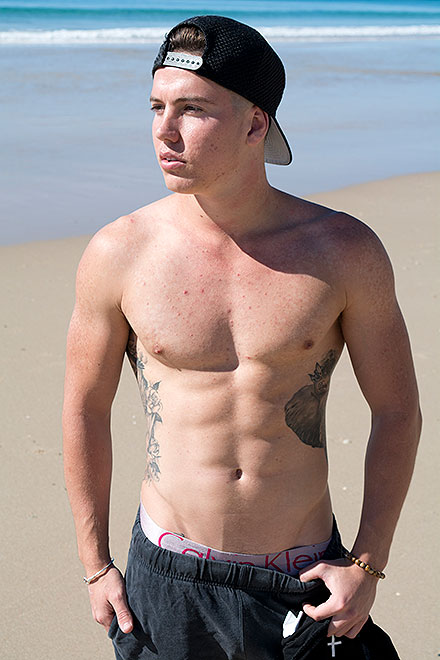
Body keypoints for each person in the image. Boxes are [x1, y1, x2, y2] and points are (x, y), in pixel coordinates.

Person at [62, 15, 421, 660]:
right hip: (167, 578)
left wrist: (367, 564)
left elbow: (397, 410)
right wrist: (95, 565)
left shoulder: (343, 252)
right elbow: (84, 409)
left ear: (256, 124)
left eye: (192, 109)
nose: (164, 130)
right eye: (157, 107)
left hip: (305, 576)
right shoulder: (120, 252)